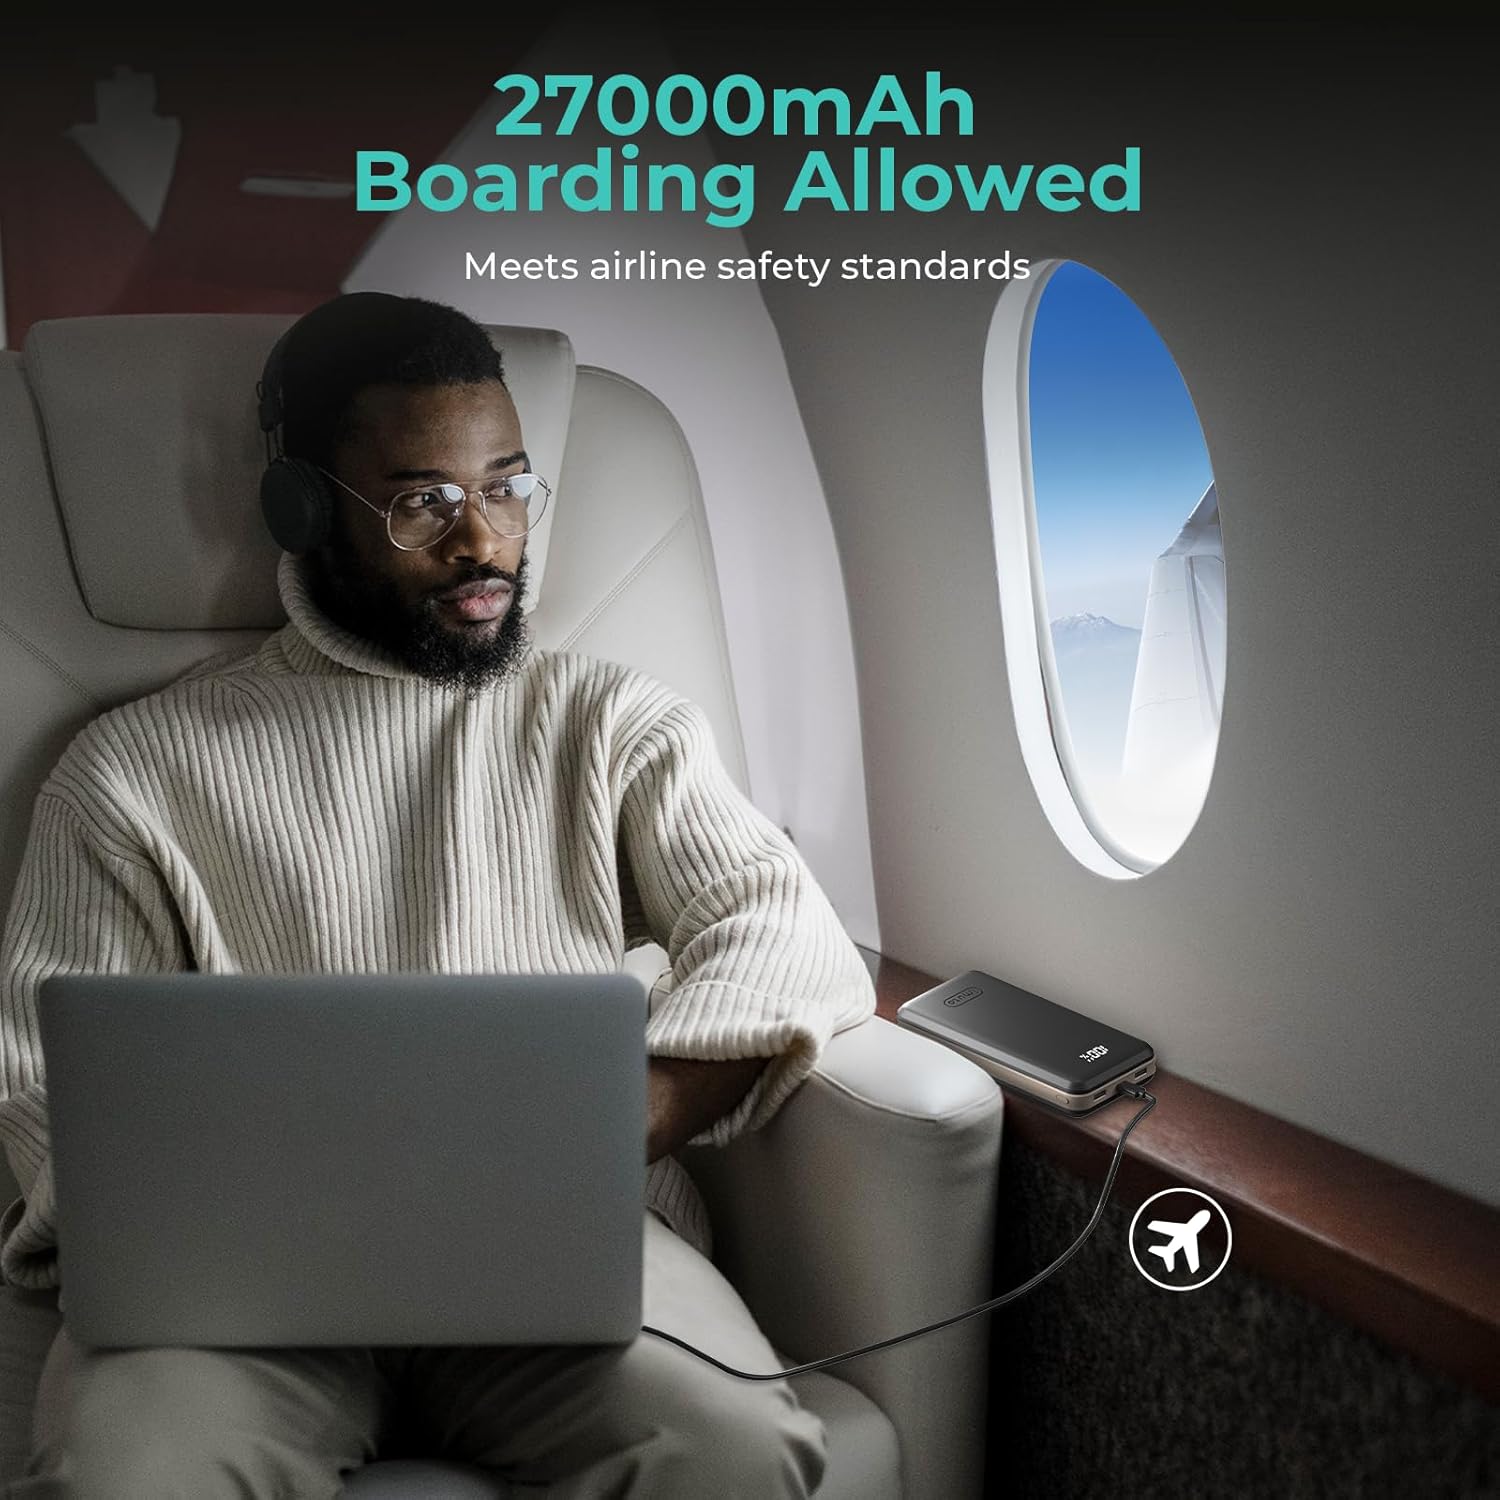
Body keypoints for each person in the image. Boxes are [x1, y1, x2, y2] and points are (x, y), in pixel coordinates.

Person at [0, 292, 876, 1498]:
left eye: (507, 488)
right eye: (424, 503)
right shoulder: (132, 771)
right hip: (238, 1289)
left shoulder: (613, 722)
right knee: (128, 1475)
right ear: (304, 510)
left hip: (558, 1244)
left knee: (734, 1446)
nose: (484, 543)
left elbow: (787, 935)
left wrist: (631, 1111)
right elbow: (41, 1085)